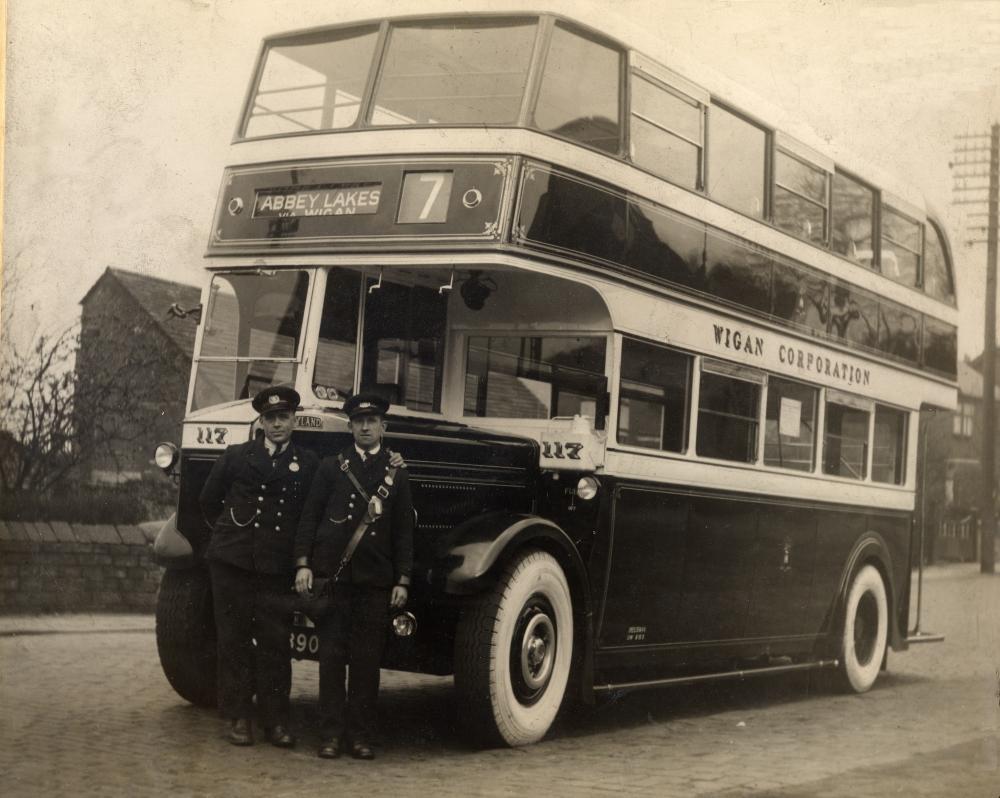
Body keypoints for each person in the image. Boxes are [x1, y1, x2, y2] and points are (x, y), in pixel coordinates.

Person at [294, 393, 414, 760]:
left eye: (372, 421)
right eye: (359, 422)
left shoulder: (396, 471)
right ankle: (329, 735)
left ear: (383, 427)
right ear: (350, 427)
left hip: (375, 582)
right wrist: (303, 564)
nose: (365, 427)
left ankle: (361, 736)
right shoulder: (333, 467)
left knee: (366, 666)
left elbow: (403, 531)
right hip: (336, 579)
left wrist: (402, 580)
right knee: (331, 662)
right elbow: (309, 518)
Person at [199, 385, 319, 748]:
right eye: (270, 418)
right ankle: (237, 718)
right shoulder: (237, 456)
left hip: (276, 569)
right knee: (233, 641)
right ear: (261, 421)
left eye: (284, 417)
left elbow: (310, 518)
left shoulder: (308, 463)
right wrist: (229, 534)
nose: (277, 424)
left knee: (275, 645)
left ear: (294, 420)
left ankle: (276, 721)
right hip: (233, 563)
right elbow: (208, 501)